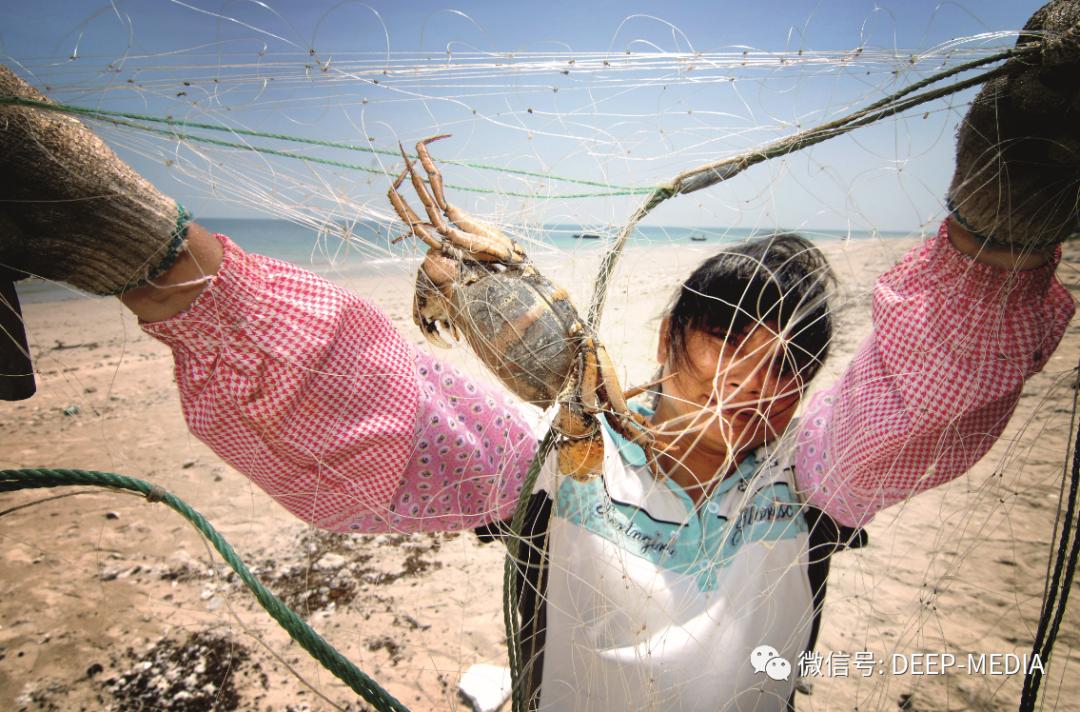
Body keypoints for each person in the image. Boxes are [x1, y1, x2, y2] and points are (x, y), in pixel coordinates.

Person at [0, 2, 1076, 709]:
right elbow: (367, 407)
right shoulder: (555, 459)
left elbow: (934, 379)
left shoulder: (818, 483)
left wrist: (1003, 229)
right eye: (732, 340)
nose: (764, 382)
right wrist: (138, 244)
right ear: (672, 336)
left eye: (795, 360)